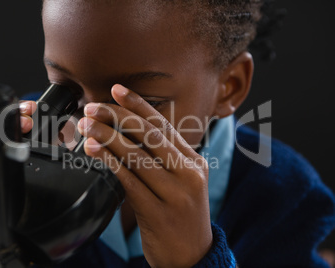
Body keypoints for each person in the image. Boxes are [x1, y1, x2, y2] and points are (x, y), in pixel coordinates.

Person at [19, 0, 335, 267]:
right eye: (66, 91)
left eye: (144, 103)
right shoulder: (22, 145)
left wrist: (196, 257)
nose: (91, 128)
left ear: (230, 86)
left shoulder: (284, 199)